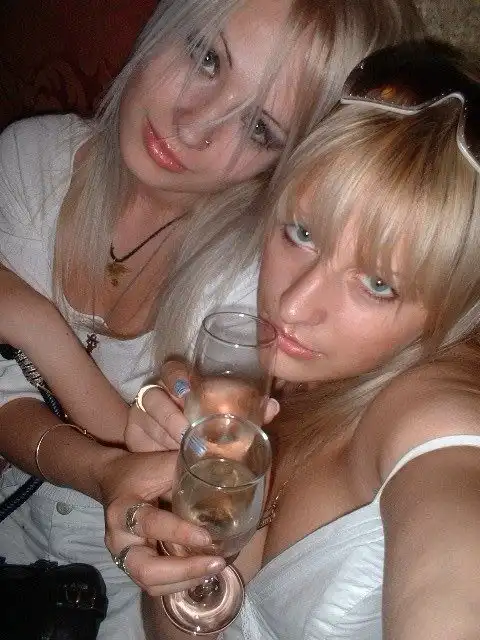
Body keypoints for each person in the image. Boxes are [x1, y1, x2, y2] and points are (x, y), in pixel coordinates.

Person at [0, 0, 424, 638]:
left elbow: (173, 479)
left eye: (259, 128)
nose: (193, 124)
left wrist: (36, 326)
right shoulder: (30, 160)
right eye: (206, 57)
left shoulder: (262, 291)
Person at [141, 39, 480, 639]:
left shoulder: (430, 416)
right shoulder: (281, 388)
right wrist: (179, 515)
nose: (293, 305)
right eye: (301, 233)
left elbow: (452, 565)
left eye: (378, 284)